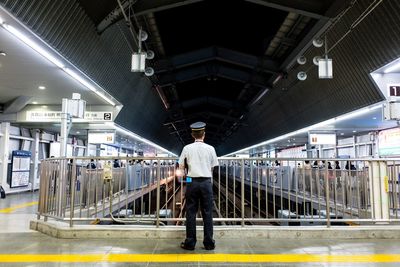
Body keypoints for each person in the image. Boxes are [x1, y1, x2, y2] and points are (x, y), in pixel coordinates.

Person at [178, 122, 219, 251]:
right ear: (204, 134)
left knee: (190, 212)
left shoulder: (187, 148)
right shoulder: (211, 148)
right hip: (206, 182)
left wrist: (187, 175)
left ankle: (190, 243)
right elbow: (213, 166)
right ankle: (209, 243)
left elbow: (181, 166)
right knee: (207, 213)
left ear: (192, 134)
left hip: (192, 182)